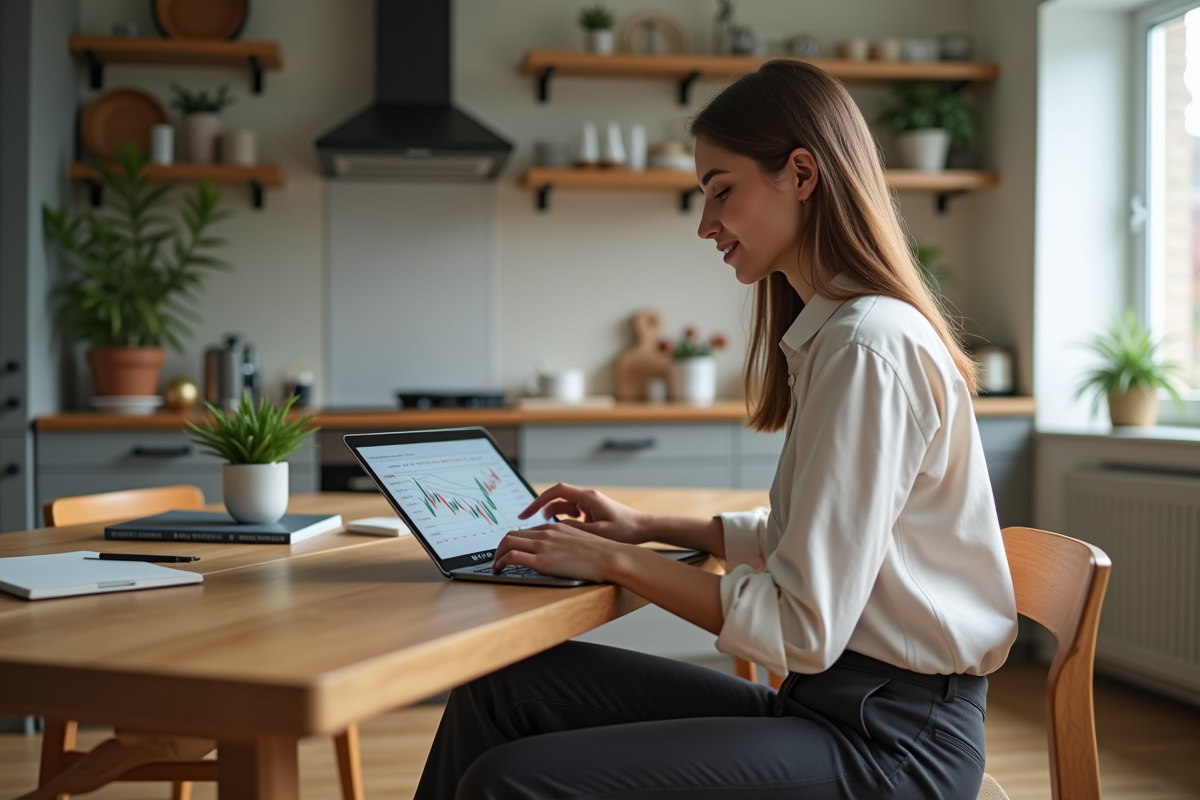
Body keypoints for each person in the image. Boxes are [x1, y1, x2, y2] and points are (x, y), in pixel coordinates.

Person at [412, 60, 1019, 800]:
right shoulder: (840, 338)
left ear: (802, 173)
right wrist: (643, 526)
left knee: (510, 781)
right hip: (835, 710)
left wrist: (613, 560)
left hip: (891, 750)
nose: (706, 226)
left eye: (721, 192)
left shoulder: (868, 346)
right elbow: (819, 545)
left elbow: (803, 626)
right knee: (499, 689)